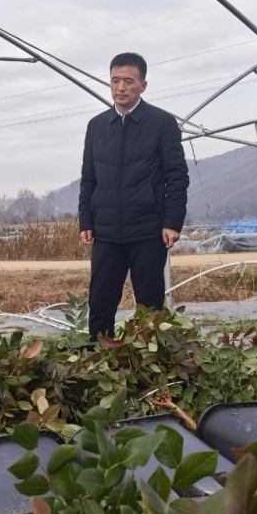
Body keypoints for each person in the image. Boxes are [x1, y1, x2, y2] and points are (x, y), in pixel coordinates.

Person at [78, 52, 189, 341]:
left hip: (147, 229)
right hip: (106, 230)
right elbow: (88, 178)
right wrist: (86, 220)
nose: (120, 88)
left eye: (128, 81)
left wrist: (172, 221)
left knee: (149, 305)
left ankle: (149, 357)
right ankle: (99, 355)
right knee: (100, 301)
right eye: (115, 81)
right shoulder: (97, 126)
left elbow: (177, 176)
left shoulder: (161, 123)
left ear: (143, 85)